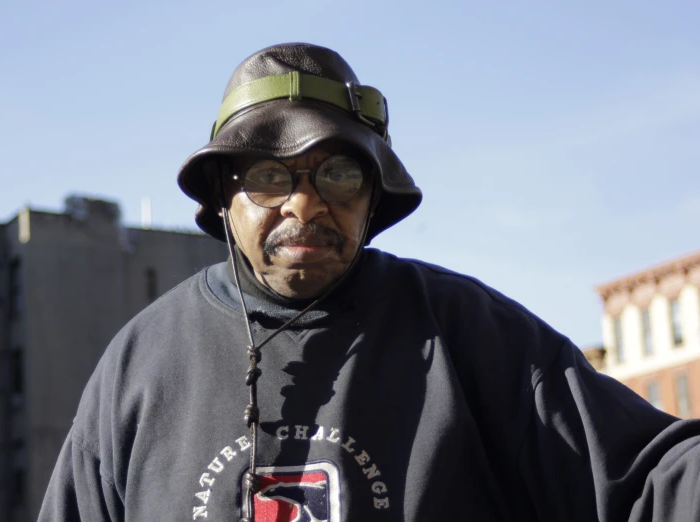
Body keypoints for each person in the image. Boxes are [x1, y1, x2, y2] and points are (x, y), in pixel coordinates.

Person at [38, 43, 700, 522]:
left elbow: (648, 479)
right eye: (269, 175)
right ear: (220, 194)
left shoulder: (469, 332)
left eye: (339, 175)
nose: (304, 204)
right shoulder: (140, 362)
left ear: (372, 197)